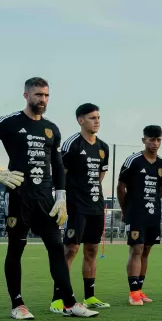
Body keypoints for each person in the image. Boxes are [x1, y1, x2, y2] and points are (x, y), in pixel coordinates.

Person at [0, 78, 90, 318]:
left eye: (46, 95)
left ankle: (70, 303)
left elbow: (57, 163)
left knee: (56, 248)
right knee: (16, 249)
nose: (42, 100)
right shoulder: (10, 122)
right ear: (26, 96)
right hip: (19, 197)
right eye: (37, 95)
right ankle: (18, 304)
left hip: (45, 199)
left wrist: (60, 196)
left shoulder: (51, 128)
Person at [60, 103, 110, 309]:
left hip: (96, 206)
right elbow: (60, 174)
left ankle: (89, 296)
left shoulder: (103, 147)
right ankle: (59, 297)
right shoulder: (71, 144)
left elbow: (100, 176)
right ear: (81, 120)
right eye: (92, 118)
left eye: (98, 117)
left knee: (92, 249)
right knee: (71, 249)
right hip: (76, 205)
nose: (97, 121)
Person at [117, 126, 162, 305]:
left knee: (146, 250)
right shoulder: (133, 161)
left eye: (158, 140)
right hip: (135, 213)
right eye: (151, 140)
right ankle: (133, 292)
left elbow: (160, 190)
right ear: (143, 140)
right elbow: (120, 187)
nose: (155, 144)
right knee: (136, 249)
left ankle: (139, 290)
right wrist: (126, 210)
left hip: (153, 214)